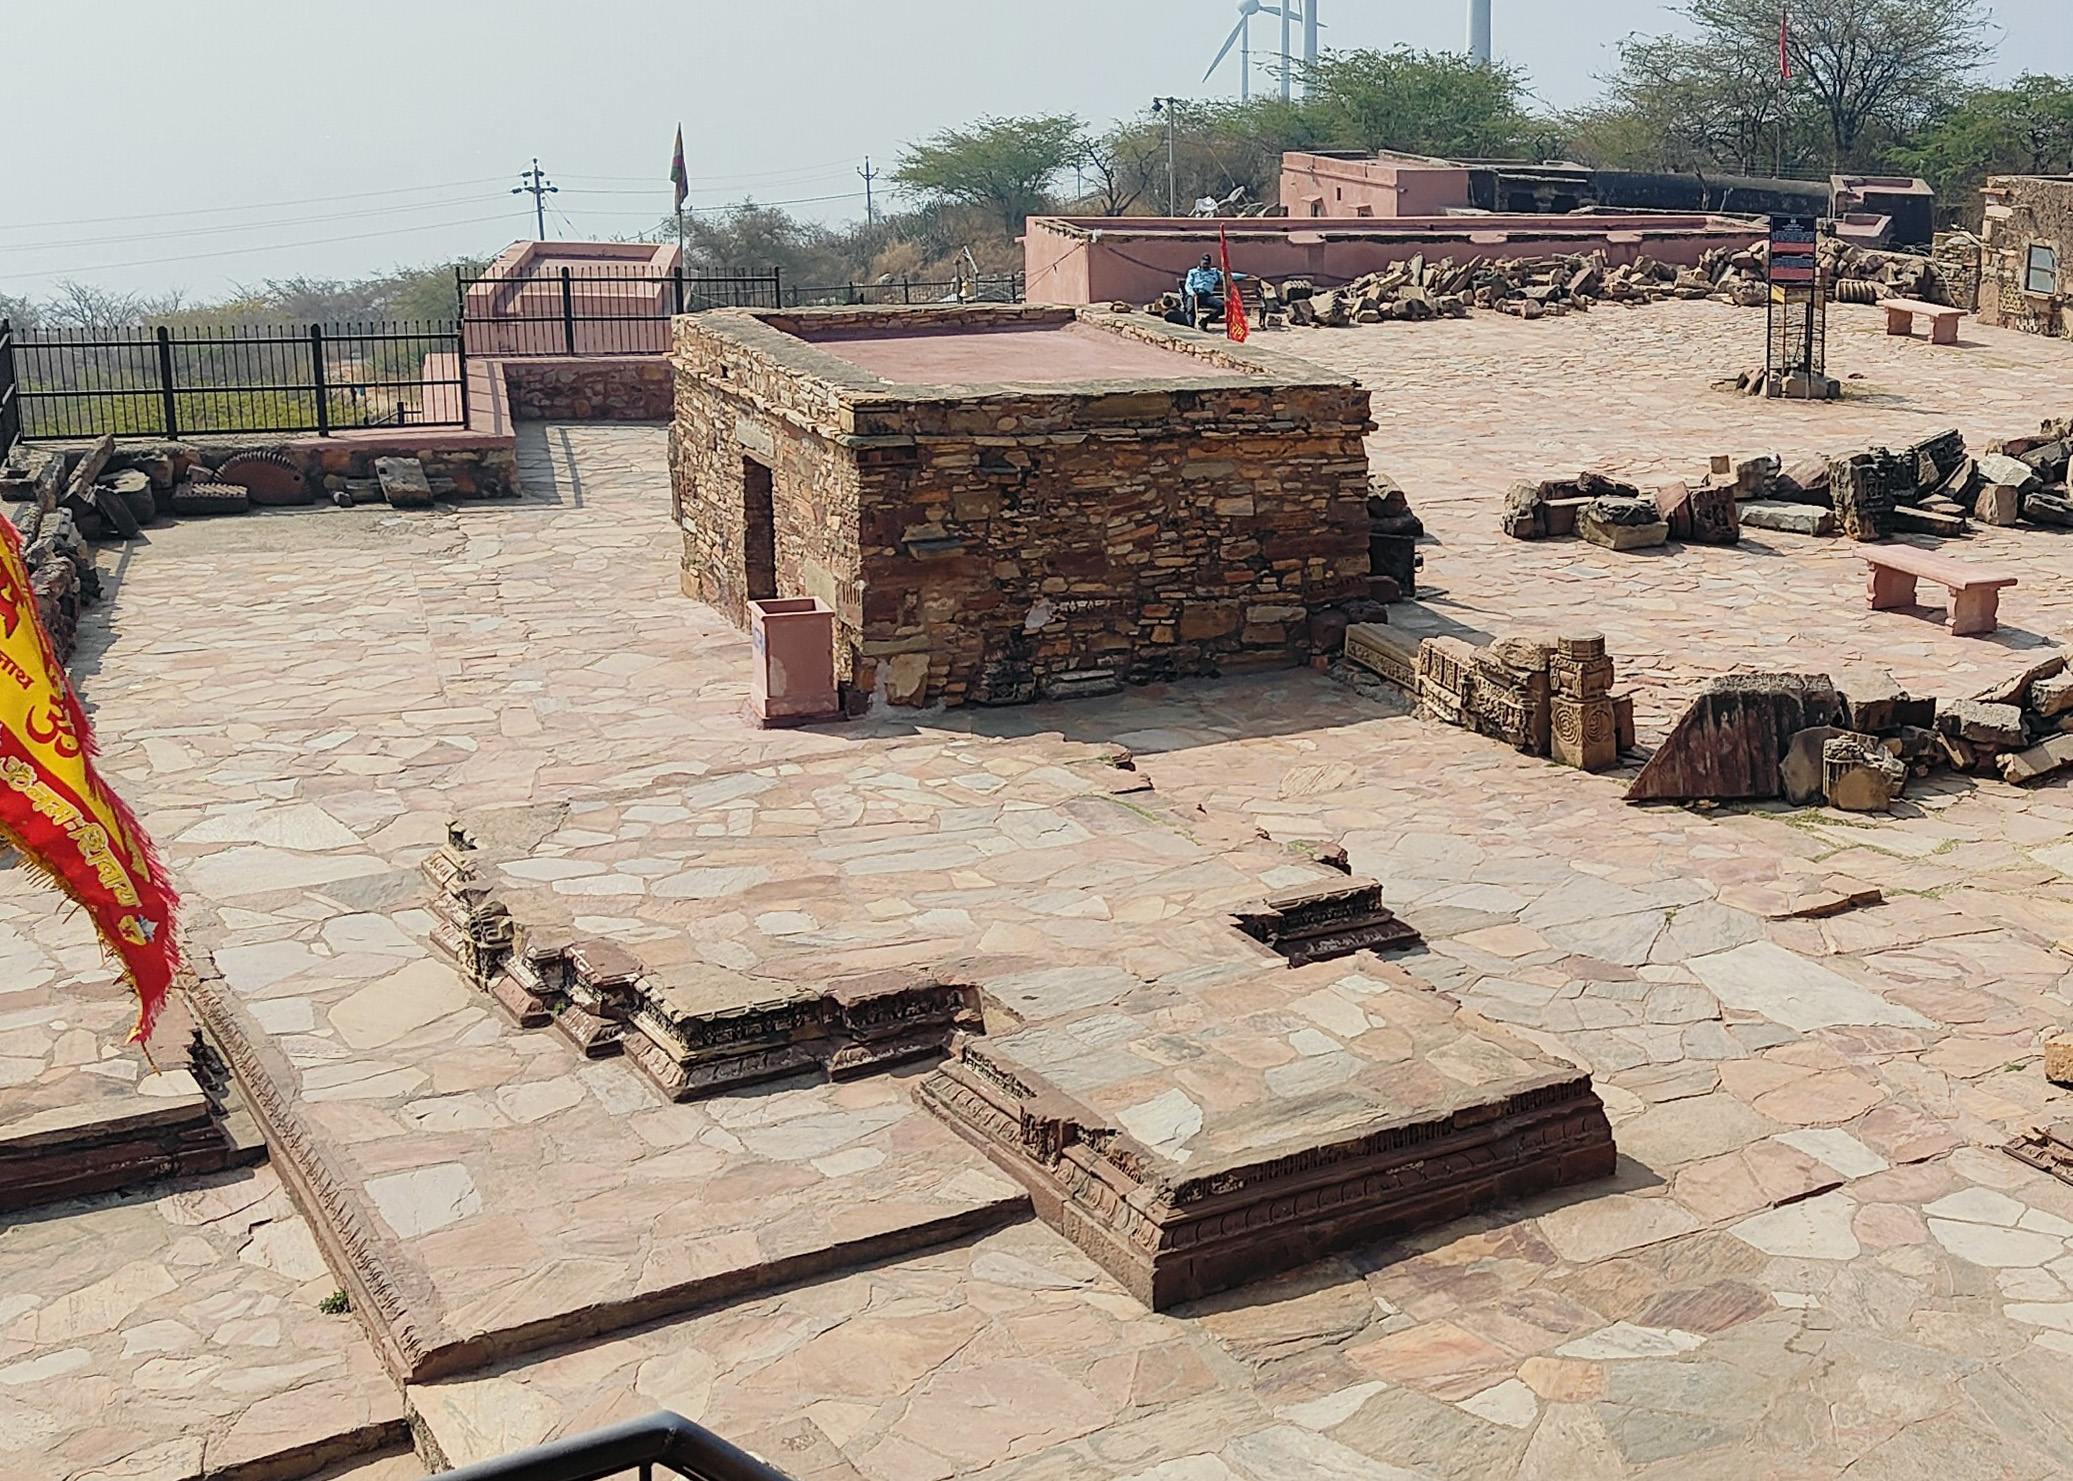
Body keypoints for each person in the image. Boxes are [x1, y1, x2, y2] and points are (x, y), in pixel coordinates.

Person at [1183, 254, 1225, 324]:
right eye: (1204, 263)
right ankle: (1190, 328)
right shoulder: (1193, 272)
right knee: (1190, 309)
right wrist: (1192, 293)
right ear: (1201, 262)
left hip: (1206, 296)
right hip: (1194, 294)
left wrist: (1245, 276)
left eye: (1207, 263)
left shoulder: (1215, 273)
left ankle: (1205, 321)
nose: (1205, 265)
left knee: (1223, 306)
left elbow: (1228, 275)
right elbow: (1188, 284)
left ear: (1210, 264)